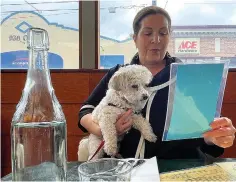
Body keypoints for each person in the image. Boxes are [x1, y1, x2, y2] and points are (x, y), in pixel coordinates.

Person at [78, 6, 236, 159]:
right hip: (125, 164)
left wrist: (218, 135)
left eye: (163, 33)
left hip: (178, 165)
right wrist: (103, 131)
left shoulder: (188, 75)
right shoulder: (119, 75)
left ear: (169, 36)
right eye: (147, 33)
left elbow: (207, 130)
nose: (156, 39)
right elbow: (86, 111)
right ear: (135, 38)